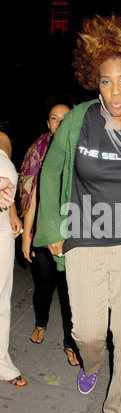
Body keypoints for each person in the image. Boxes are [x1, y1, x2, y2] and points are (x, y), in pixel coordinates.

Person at [33, 14, 121, 413]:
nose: (115, 91)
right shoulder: (78, 119)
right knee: (89, 332)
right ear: (96, 83)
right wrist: (52, 225)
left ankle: (118, 411)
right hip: (84, 238)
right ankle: (91, 365)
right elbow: (52, 168)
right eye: (106, 81)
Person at [18, 99, 79, 366]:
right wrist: (25, 236)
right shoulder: (37, 153)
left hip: (74, 234)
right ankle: (41, 323)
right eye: (55, 118)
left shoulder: (82, 152)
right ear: (48, 123)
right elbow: (30, 199)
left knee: (70, 295)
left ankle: (70, 343)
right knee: (43, 289)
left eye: (66, 118)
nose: (60, 123)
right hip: (43, 234)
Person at [0, 130, 27, 387]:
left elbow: (7, 187)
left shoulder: (4, 138)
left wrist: (12, 213)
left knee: (2, 301)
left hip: (1, 231)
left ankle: (2, 363)